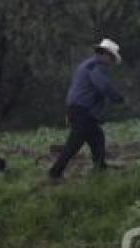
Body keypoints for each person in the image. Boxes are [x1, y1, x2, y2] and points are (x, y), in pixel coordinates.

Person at [48, 39, 124, 180]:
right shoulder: (96, 67)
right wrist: (118, 98)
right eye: (112, 58)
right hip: (83, 111)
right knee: (73, 144)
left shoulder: (87, 64)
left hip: (77, 109)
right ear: (106, 54)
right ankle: (55, 173)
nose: (111, 62)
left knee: (97, 136)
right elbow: (104, 87)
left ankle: (100, 168)